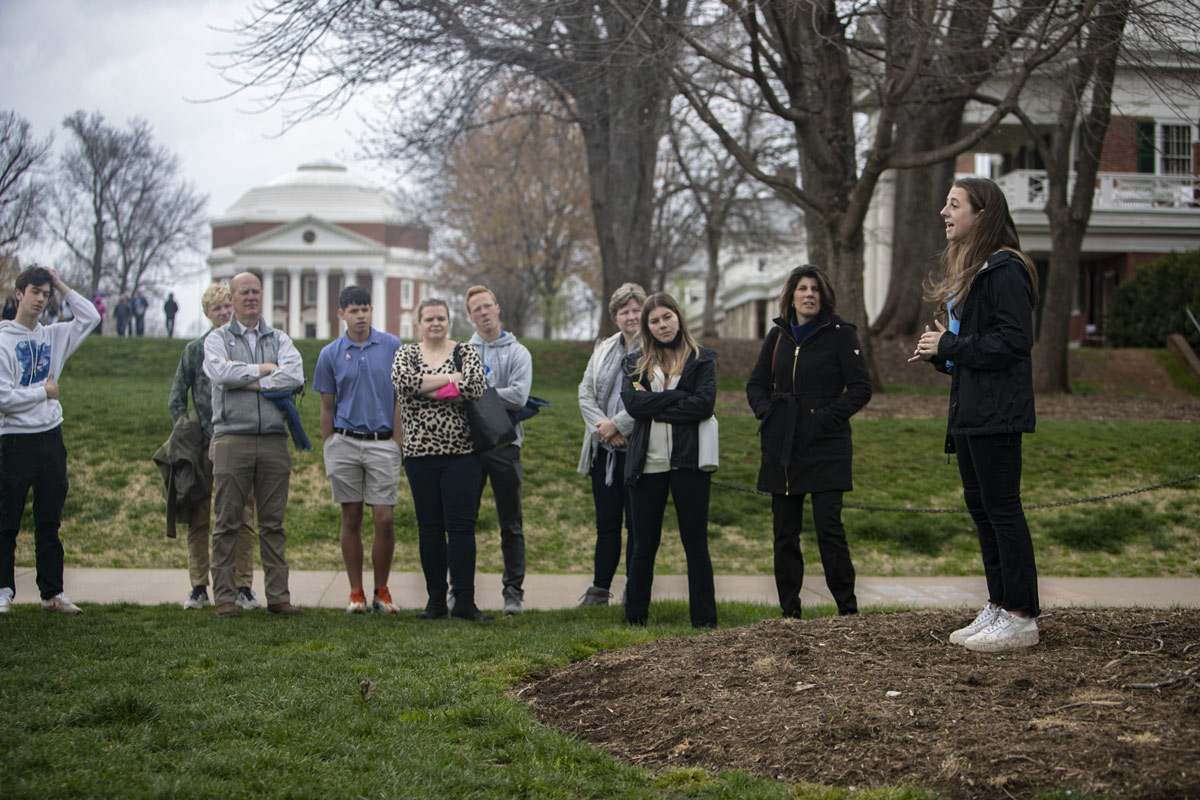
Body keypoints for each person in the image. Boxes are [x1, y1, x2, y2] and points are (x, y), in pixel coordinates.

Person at [909, 176, 1041, 653]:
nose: (944, 212)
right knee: (984, 512)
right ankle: (1000, 604)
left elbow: (1014, 343)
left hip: (998, 416)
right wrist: (943, 352)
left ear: (982, 214)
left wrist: (952, 344)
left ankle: (1022, 617)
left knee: (1003, 512)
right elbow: (975, 352)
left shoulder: (1005, 269)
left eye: (954, 204)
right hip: (971, 414)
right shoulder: (980, 271)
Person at [746, 265, 872, 619]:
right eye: (802, 288)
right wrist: (767, 413)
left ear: (824, 295)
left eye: (815, 288)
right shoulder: (778, 337)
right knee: (785, 534)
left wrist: (824, 418)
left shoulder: (841, 335)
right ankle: (790, 613)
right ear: (792, 295)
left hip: (826, 445)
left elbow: (861, 388)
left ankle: (848, 611)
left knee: (829, 530)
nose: (809, 294)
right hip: (782, 447)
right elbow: (756, 384)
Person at [202, 272, 304, 617]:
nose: (250, 297)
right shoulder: (217, 339)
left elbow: (294, 376)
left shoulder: (279, 338)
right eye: (243, 292)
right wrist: (264, 370)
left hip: (274, 440)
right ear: (232, 298)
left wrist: (247, 380)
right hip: (232, 438)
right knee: (227, 521)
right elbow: (220, 374)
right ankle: (226, 598)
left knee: (273, 524)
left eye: (255, 292)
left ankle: (279, 597)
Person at [0, 266, 101, 615]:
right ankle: (3, 591)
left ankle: (52, 594)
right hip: (14, 440)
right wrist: (44, 392)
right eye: (35, 292)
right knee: (7, 519)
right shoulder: (3, 340)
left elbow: (90, 316)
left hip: (50, 438)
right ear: (19, 294)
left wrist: (59, 282)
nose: (41, 299)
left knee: (49, 520)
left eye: (46, 294)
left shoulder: (54, 335)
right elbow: (3, 398)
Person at [621, 293, 718, 629]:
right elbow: (634, 404)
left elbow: (703, 405)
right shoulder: (635, 365)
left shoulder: (701, 360)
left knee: (696, 544)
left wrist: (658, 400)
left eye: (667, 317)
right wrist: (678, 398)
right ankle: (635, 616)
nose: (662, 325)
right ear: (647, 327)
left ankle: (704, 620)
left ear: (678, 317)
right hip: (646, 466)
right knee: (644, 544)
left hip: (688, 464)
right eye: (654, 320)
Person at [392, 298, 491, 621]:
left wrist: (427, 387)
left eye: (441, 318)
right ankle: (435, 600)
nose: (435, 323)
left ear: (449, 321)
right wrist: (452, 380)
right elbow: (403, 384)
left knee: (461, 528)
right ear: (419, 323)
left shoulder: (466, 351)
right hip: (419, 455)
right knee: (429, 529)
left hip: (462, 455)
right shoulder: (406, 353)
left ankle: (464, 600)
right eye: (429, 318)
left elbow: (475, 387)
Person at [168, 283, 262, 611]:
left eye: (226, 307)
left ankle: (243, 586)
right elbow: (177, 399)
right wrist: (187, 433)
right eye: (216, 309)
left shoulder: (247, 347)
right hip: (202, 446)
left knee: (243, 516)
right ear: (207, 314)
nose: (223, 313)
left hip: (237, 442)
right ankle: (198, 586)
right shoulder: (195, 351)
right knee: (199, 517)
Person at [314, 285, 404, 614]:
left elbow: (399, 397)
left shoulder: (392, 345)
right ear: (341, 315)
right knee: (350, 517)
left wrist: (397, 440)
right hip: (345, 442)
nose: (361, 314)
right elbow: (326, 405)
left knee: (384, 519)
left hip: (382, 444)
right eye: (354, 310)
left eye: (365, 308)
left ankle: (382, 591)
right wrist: (330, 444)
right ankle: (356, 592)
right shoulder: (330, 354)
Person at [576, 282, 645, 606]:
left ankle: (635, 590)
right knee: (606, 525)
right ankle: (598, 591)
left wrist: (619, 424)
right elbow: (585, 393)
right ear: (614, 315)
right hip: (603, 451)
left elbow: (654, 396)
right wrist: (605, 430)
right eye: (624, 311)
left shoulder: (656, 347)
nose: (631, 316)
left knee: (636, 525)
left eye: (636, 309)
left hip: (639, 450)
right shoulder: (603, 348)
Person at [465, 285, 532, 616]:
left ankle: (513, 593)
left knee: (511, 523)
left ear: (498, 307)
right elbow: (455, 392)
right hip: (470, 449)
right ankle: (462, 593)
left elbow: (519, 397)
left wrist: (477, 392)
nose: (483, 313)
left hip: (506, 447)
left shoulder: (518, 353)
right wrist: (488, 394)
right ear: (470, 316)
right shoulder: (463, 352)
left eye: (487, 306)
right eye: (476, 309)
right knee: (465, 522)